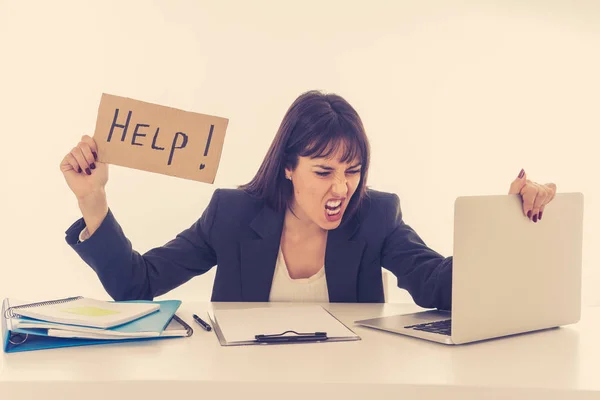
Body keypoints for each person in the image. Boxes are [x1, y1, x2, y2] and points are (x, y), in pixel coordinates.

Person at [60, 90, 557, 309]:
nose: (342, 188)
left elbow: (439, 287)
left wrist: (509, 224)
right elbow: (136, 285)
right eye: (324, 171)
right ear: (289, 167)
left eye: (353, 171)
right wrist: (94, 200)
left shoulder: (376, 216)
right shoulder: (232, 215)